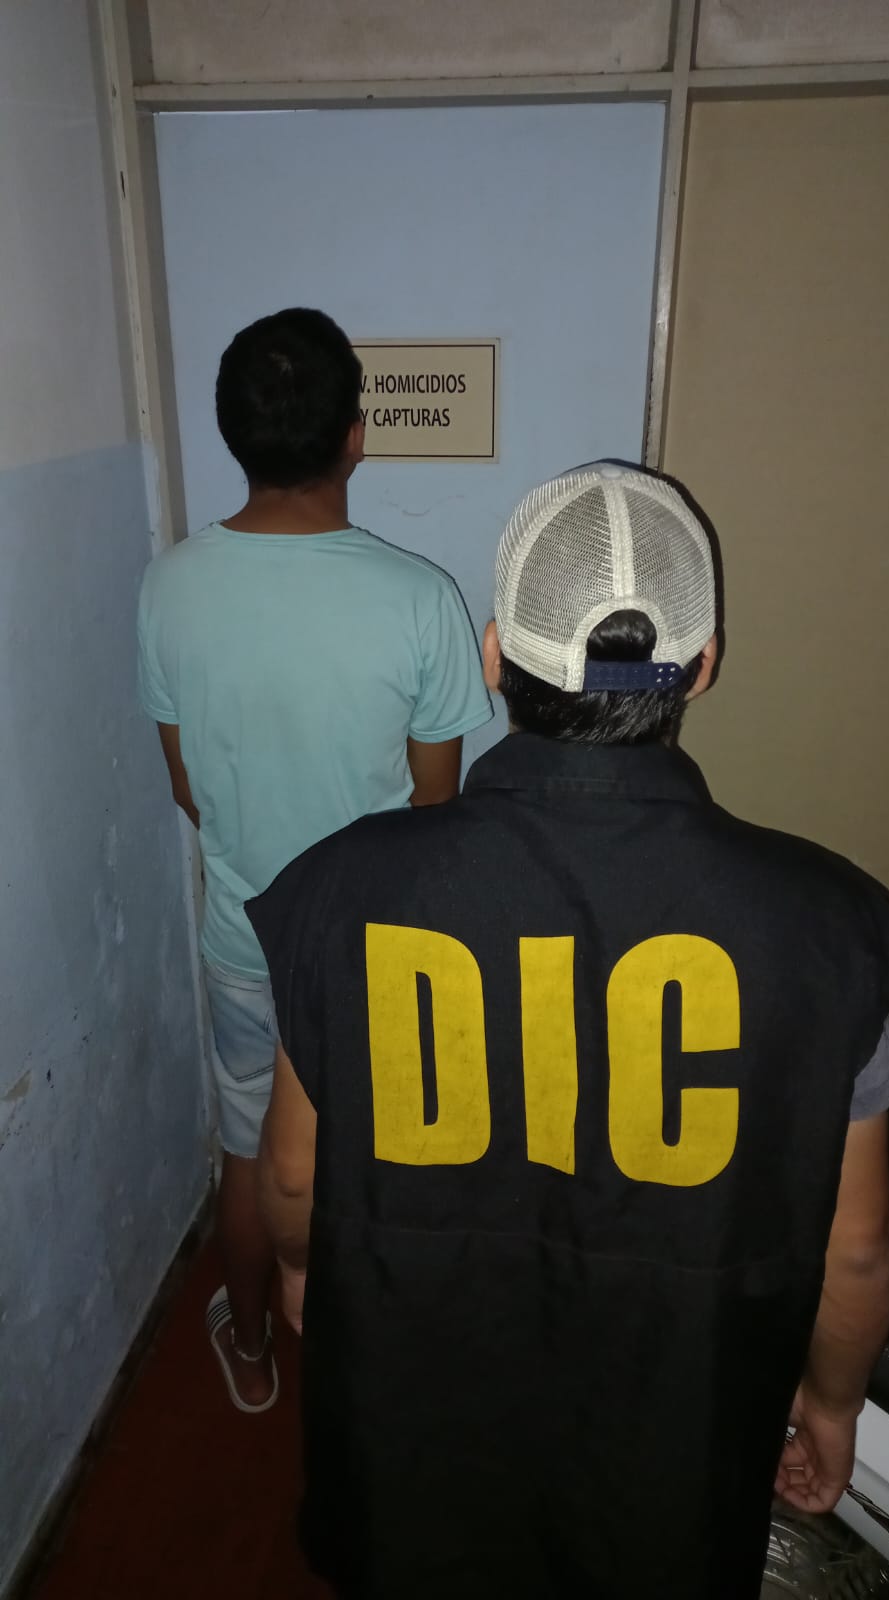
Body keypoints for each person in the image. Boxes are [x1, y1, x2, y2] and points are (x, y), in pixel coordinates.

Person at [247, 461, 889, 1598]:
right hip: (666, 1467)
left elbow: (294, 1173)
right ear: (704, 664)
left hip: (417, 1457)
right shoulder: (830, 925)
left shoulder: (342, 888)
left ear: (495, 655)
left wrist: (303, 1269)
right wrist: (832, 1403)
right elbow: (856, 1246)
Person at [137, 307, 492, 1413]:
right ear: (354, 434)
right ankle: (382, 1372)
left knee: (253, 1157)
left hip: (247, 943)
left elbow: (186, 787)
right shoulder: (421, 598)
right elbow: (435, 808)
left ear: (232, 434)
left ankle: (251, 1349)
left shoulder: (169, 585)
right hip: (378, 951)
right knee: (381, 1154)